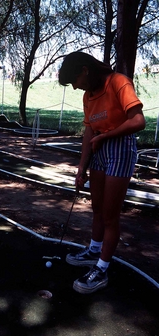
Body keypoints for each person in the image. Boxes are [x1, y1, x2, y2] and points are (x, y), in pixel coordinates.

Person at [58, 51, 146, 294]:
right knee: (97, 207)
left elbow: (138, 121)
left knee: (110, 215)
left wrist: (106, 136)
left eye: (74, 81)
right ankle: (93, 251)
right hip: (99, 147)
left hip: (120, 147)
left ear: (84, 70)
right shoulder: (89, 96)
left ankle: (102, 269)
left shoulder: (118, 82)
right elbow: (88, 134)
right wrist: (80, 170)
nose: (75, 88)